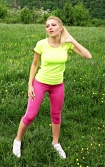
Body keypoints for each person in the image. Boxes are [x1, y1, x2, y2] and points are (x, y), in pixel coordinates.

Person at [12, 16, 91, 159]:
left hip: (57, 86)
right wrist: (30, 85)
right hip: (40, 83)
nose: (50, 27)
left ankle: (55, 143)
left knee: (56, 115)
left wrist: (71, 39)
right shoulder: (41, 44)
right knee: (30, 115)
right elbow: (35, 64)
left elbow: (88, 56)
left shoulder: (66, 45)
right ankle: (17, 140)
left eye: (54, 25)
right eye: (47, 26)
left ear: (61, 28)